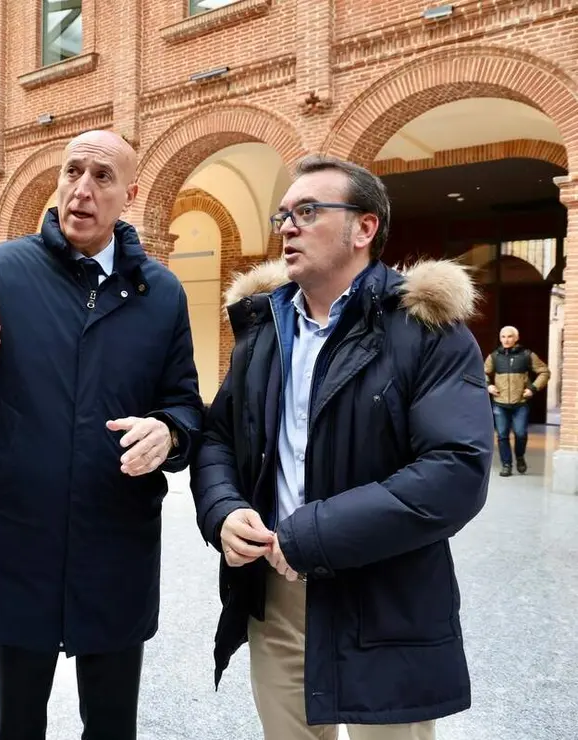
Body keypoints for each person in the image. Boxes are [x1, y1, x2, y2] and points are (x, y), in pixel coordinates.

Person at [0, 130, 201, 740]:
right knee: (15, 724)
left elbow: (184, 404)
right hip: (18, 541)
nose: (82, 190)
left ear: (131, 194)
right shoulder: (2, 271)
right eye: (73, 172)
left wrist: (169, 433)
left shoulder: (162, 294)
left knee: (113, 725)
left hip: (116, 540)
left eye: (102, 177)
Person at [191, 154, 493, 740]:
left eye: (308, 210)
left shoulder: (426, 329)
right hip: (273, 596)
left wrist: (310, 536)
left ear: (364, 228)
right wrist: (222, 510)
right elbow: (219, 437)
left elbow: (454, 472)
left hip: (383, 598)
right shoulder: (263, 331)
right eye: (283, 214)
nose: (288, 226)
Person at [485, 325, 549, 476]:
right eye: (503, 337)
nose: (506, 340)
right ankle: (506, 465)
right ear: (500, 339)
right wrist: (488, 386)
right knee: (502, 435)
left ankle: (520, 457)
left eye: (510, 336)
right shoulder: (494, 356)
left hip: (521, 404)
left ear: (516, 338)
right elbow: (482, 373)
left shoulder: (527, 355)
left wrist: (532, 388)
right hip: (500, 403)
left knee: (520, 434)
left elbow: (544, 372)